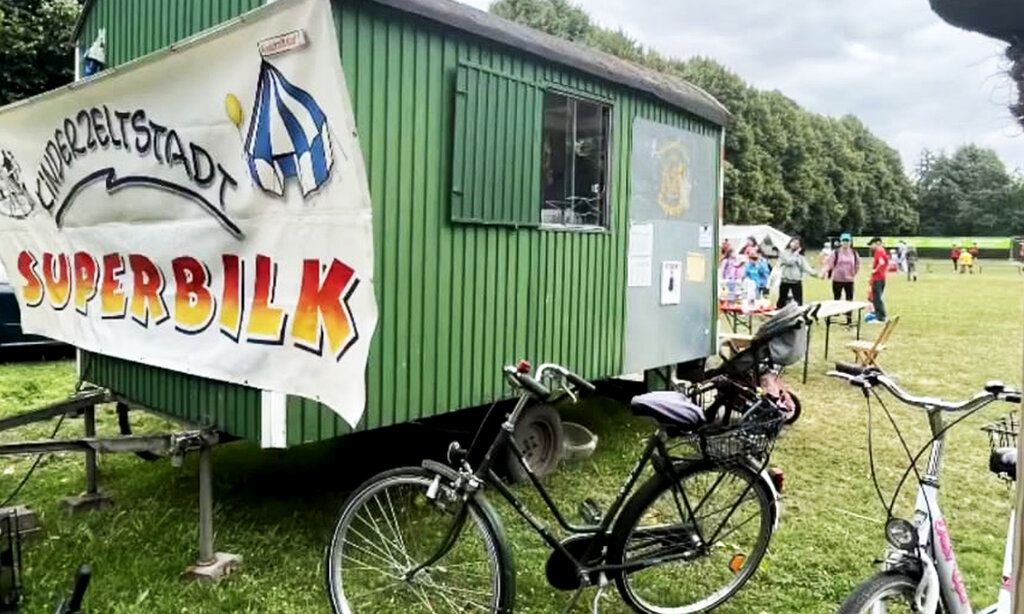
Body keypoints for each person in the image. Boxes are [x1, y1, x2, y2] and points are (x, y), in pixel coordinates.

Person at [825, 232, 861, 324]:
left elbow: (857, 265)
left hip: (849, 280)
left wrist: (853, 274)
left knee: (849, 300)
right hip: (837, 279)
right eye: (844, 241)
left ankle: (849, 319)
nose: (845, 243)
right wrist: (825, 272)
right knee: (837, 298)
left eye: (847, 241)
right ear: (841, 242)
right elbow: (830, 264)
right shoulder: (836, 252)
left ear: (850, 242)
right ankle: (835, 315)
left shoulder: (854, 253)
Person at [777, 237, 817, 307]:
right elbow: (789, 262)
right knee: (782, 300)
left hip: (796, 281)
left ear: (800, 246)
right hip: (785, 281)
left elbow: (806, 268)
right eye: (793, 242)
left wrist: (816, 274)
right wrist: (795, 254)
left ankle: (797, 316)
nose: (795, 244)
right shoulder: (784, 253)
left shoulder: (800, 256)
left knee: (798, 302)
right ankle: (779, 315)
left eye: (797, 243)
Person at [865, 236, 889, 323]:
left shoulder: (878, 251)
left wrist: (875, 270)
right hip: (882, 277)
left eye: (871, 244)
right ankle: (878, 314)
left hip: (878, 278)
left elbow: (881, 262)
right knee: (877, 297)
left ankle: (881, 317)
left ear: (877, 243)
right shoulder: (883, 251)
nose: (871, 247)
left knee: (876, 298)